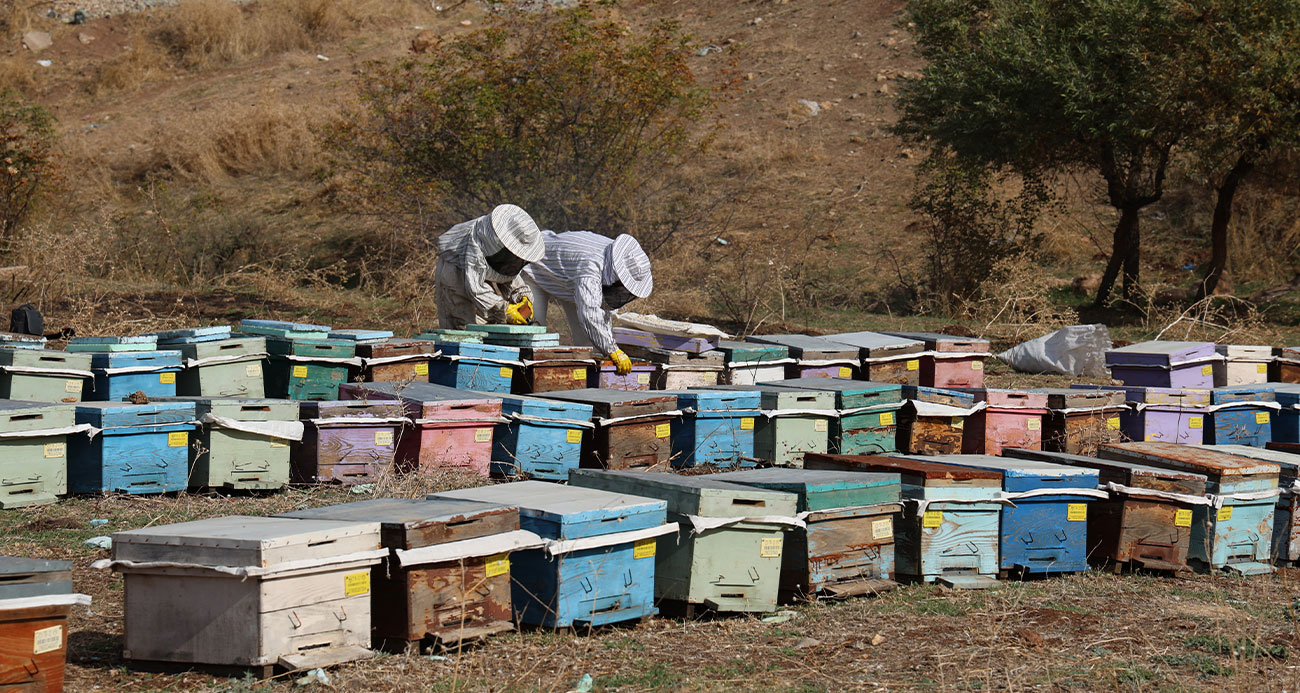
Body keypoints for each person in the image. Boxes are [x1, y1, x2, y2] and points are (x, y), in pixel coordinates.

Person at [521, 230, 653, 375]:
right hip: (534, 268)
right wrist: (612, 350)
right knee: (534, 333)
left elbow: (601, 314)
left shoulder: (614, 260)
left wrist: (609, 346)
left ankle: (585, 382)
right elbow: (589, 314)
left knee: (588, 343)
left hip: (569, 279)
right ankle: (527, 380)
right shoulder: (591, 268)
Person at [435, 204, 544, 328]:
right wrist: (505, 310)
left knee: (494, 326)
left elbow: (510, 272)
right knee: (461, 327)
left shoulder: (504, 252)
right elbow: (476, 289)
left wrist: (522, 297)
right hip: (455, 267)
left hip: (482, 268)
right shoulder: (476, 247)